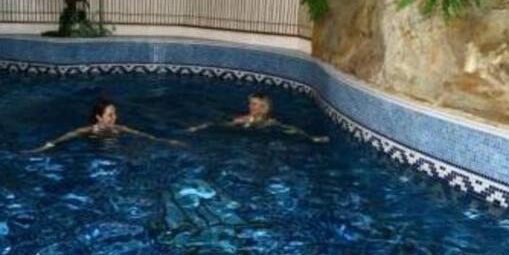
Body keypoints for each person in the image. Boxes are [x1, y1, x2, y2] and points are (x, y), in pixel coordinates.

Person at [28, 100, 183, 152]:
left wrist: (167, 141)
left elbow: (145, 136)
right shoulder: (87, 130)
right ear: (99, 117)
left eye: (114, 114)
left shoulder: (120, 128)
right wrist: (42, 148)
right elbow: (60, 140)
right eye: (110, 115)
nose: (114, 117)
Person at [186, 93, 329, 143]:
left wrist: (310, 137)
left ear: (263, 107)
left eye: (255, 104)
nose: (251, 107)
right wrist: (199, 127)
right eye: (251, 104)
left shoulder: (270, 121)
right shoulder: (244, 119)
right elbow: (220, 124)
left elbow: (290, 128)